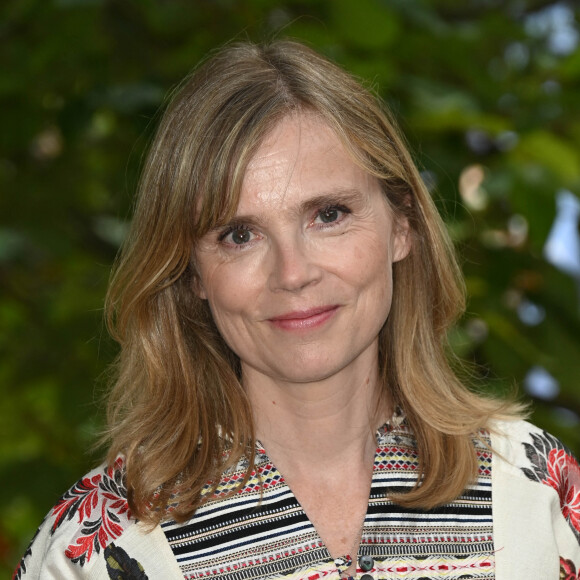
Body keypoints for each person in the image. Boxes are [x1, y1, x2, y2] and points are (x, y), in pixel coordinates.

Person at [14, 39, 580, 580]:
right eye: (239, 234)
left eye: (328, 215)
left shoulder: (534, 493)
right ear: (191, 274)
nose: (293, 273)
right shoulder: (100, 545)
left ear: (402, 226)